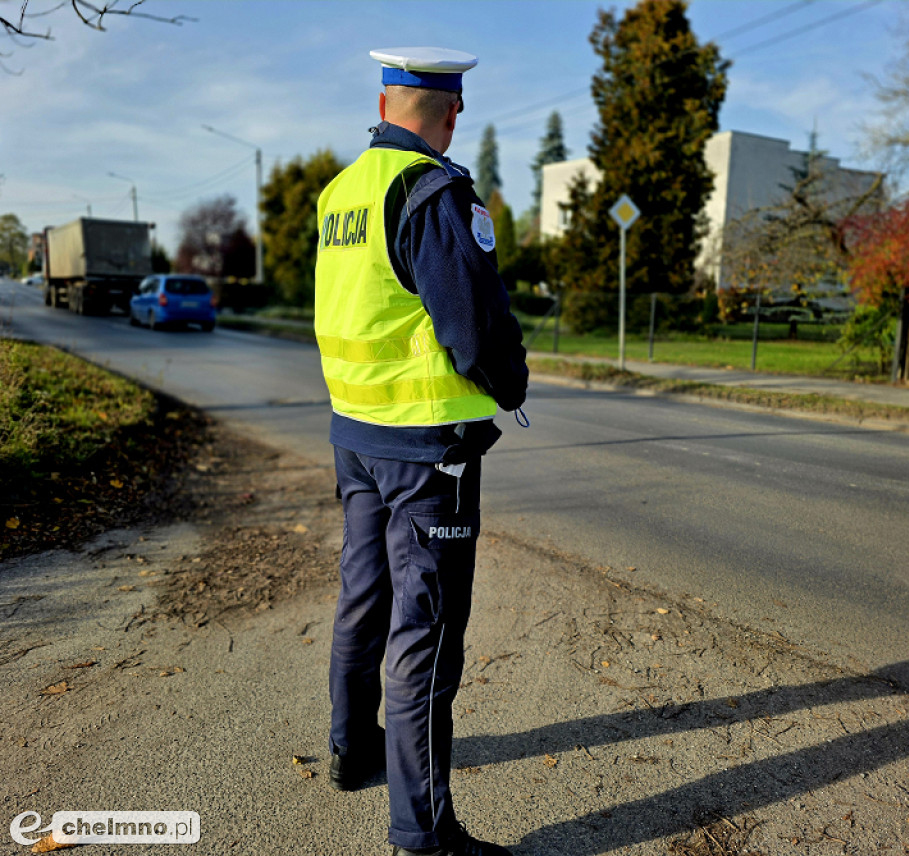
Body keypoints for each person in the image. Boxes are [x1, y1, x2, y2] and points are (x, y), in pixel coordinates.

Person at [315, 47, 529, 856]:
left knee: (363, 598)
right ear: (452, 111)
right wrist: (511, 384)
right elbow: (473, 329)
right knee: (427, 633)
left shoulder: (343, 193)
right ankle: (423, 835)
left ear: (382, 101)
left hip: (354, 437)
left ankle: (351, 748)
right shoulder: (434, 191)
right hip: (425, 450)